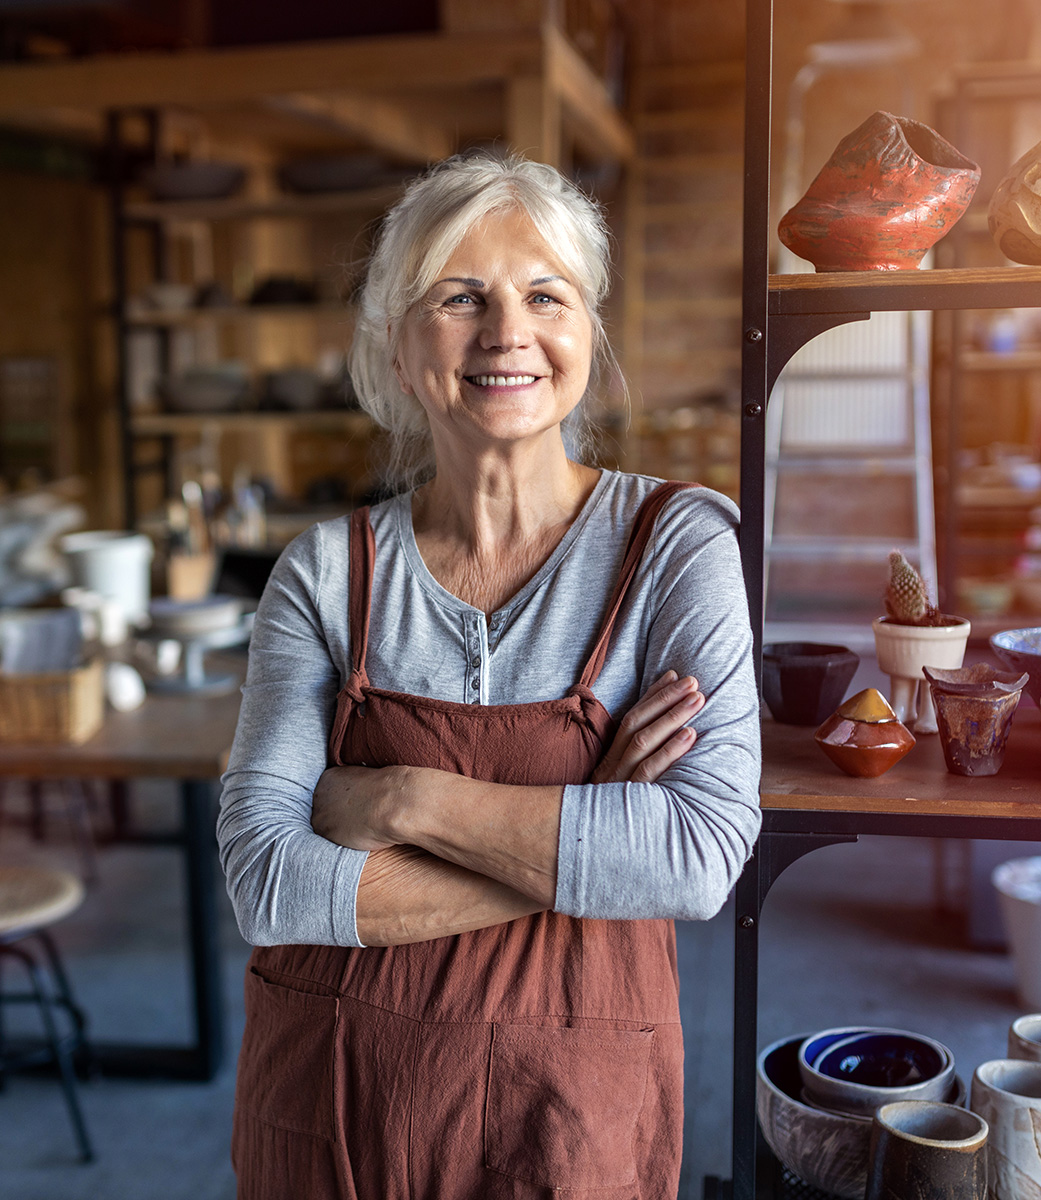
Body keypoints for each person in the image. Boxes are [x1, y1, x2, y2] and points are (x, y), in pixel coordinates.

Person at [216, 151, 762, 1199]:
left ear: (587, 332)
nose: (507, 331)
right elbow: (268, 883)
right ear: (399, 341)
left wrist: (398, 798)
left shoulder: (674, 546)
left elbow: (695, 858)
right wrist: (592, 829)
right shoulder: (325, 573)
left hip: (567, 1112)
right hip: (335, 1103)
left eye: (544, 295)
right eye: (461, 296)